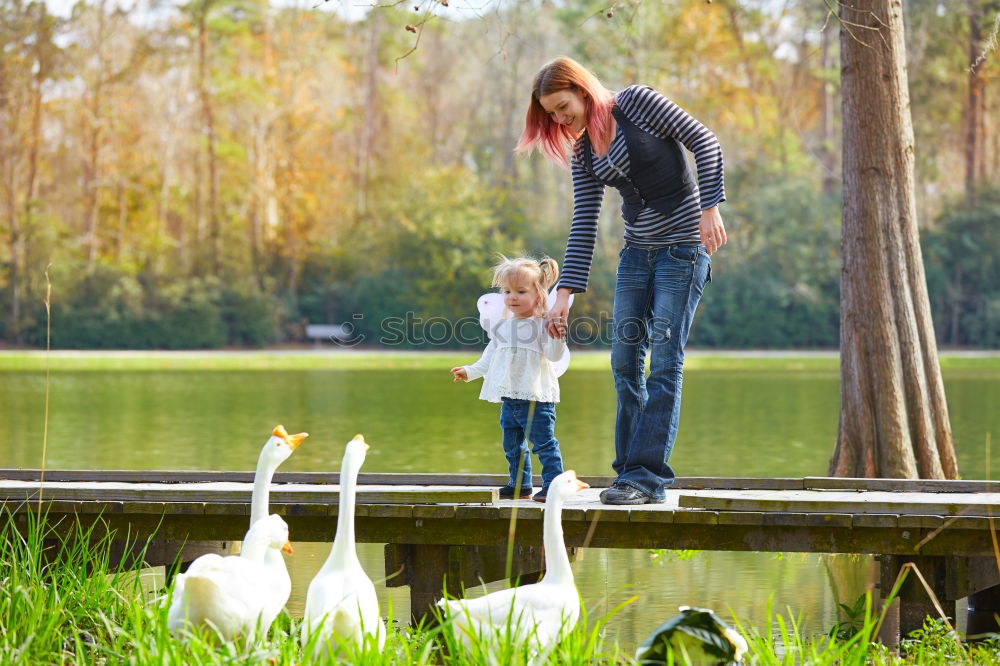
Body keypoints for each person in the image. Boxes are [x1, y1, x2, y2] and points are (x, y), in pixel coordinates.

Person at [516, 57, 727, 505]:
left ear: (581, 88)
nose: (559, 118)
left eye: (561, 105)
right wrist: (564, 295)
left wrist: (711, 205)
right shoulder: (584, 151)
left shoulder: (637, 103)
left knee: (665, 362)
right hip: (636, 255)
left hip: (683, 252)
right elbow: (584, 222)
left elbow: (705, 141)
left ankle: (647, 479)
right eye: (551, 113)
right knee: (625, 363)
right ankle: (628, 475)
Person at [451, 256, 568, 502]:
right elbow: (490, 357)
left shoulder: (541, 325)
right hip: (510, 397)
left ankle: (554, 484)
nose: (511, 297)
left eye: (520, 291)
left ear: (538, 294)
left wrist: (557, 337)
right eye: (506, 291)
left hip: (536, 397)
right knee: (513, 446)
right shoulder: (503, 327)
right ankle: (520, 484)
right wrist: (470, 371)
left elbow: (554, 356)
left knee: (544, 443)